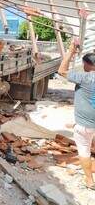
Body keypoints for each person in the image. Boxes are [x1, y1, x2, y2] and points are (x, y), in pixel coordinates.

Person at [58, 40, 95, 189]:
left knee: (84, 151)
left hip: (85, 125)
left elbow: (61, 71)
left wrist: (71, 51)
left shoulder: (85, 78)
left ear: (86, 65)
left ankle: (89, 181)